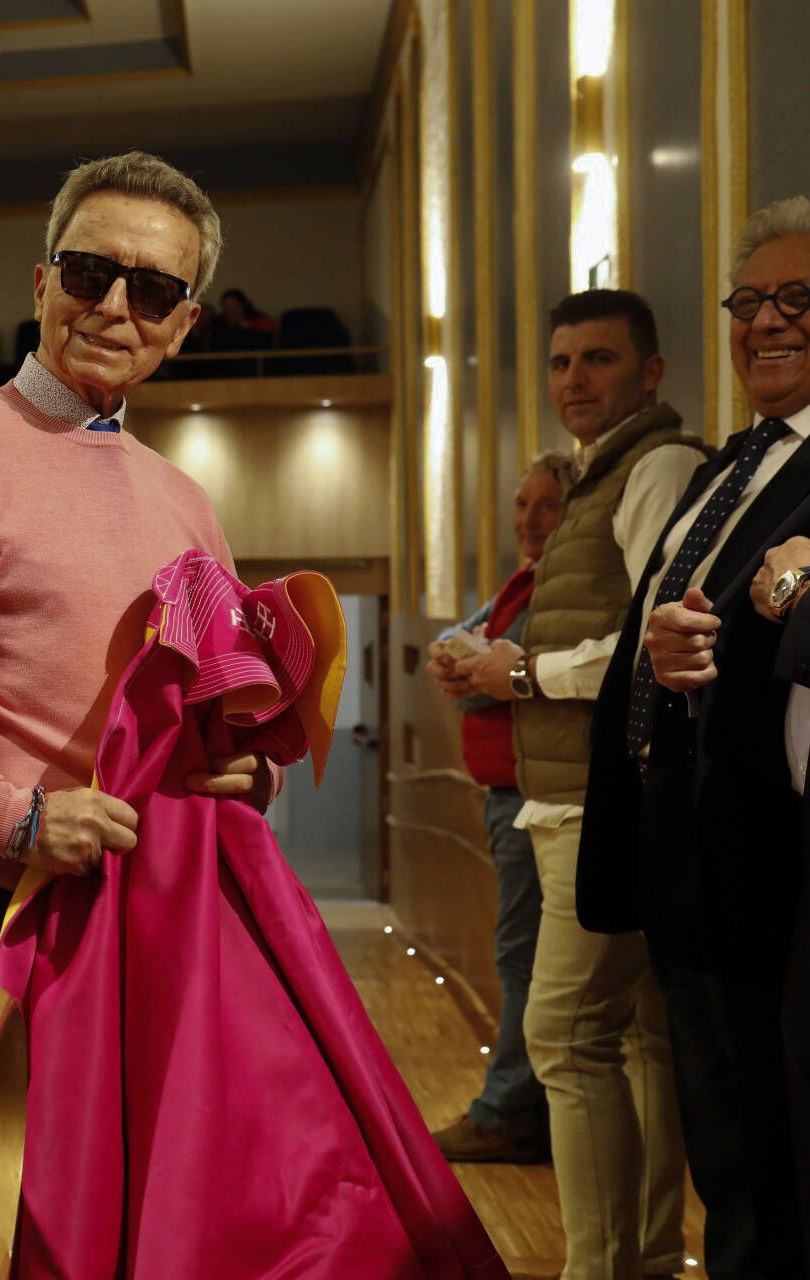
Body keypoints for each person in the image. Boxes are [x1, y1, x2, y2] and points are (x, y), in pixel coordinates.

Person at [0, 151, 503, 1275]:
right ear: (40, 282)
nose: (115, 306)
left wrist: (245, 773)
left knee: (194, 1216)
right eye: (91, 271)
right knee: (53, 1231)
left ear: (183, 323)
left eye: (152, 290)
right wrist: (19, 815)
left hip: (178, 907)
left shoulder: (184, 497)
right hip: (17, 904)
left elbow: (222, 700)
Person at [581, 198, 810, 1280]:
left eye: (799, 298)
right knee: (728, 1153)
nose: (768, 321)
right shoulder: (732, 464)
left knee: (781, 1157)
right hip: (688, 851)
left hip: (778, 869)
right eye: (750, 301)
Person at [452, 289, 699, 1279]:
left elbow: (659, 640)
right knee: (636, 1037)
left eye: (597, 360)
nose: (574, 381)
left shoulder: (657, 466)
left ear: (650, 372)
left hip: (601, 805)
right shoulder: (600, 474)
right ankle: (640, 1254)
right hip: (572, 800)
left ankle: (599, 1265)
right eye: (561, 363)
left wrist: (519, 672)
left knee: (561, 1033)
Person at [423, 453, 573, 1165]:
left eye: (546, 505)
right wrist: (470, 659)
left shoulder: (566, 584)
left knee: (524, 958)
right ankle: (518, 1104)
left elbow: (501, 674)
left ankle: (509, 1110)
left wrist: (477, 665)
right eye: (521, 504)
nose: (529, 520)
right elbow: (459, 643)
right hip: (506, 795)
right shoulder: (525, 579)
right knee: (520, 954)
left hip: (534, 795)